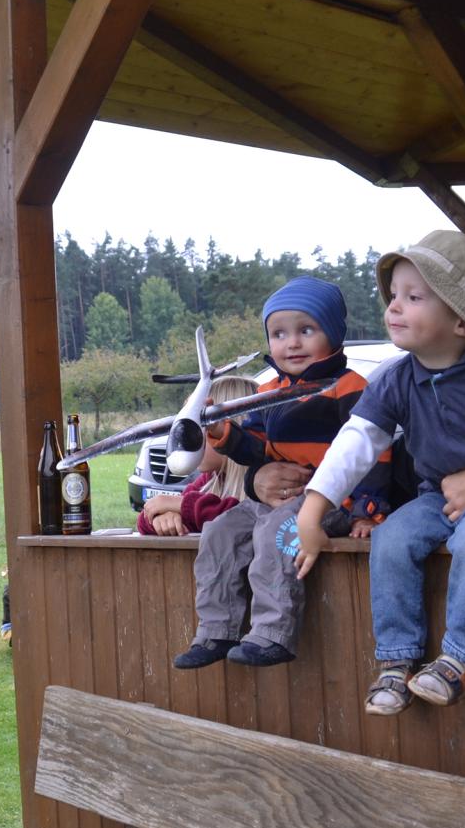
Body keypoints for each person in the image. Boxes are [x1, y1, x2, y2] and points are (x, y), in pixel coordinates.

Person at [292, 230, 465, 715]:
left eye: (414, 297)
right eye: (393, 295)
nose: (394, 307)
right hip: (438, 496)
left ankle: (461, 660)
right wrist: (312, 511)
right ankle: (397, 659)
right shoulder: (394, 380)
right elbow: (356, 442)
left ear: (462, 321)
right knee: (392, 536)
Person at [174, 277, 387, 670]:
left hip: (331, 501)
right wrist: (224, 434)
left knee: (277, 531)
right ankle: (217, 629)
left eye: (306, 330)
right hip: (277, 500)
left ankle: (273, 633)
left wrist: (366, 510)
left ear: (333, 333)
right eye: (279, 334)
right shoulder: (269, 392)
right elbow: (256, 450)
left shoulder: (348, 388)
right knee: (221, 530)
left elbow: (374, 454)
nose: (292, 343)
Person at [135, 374, 254, 537]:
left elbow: (240, 519)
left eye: (200, 427)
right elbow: (146, 516)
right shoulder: (210, 480)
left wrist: (182, 505)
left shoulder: (263, 483)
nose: (187, 439)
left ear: (230, 429)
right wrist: (161, 517)